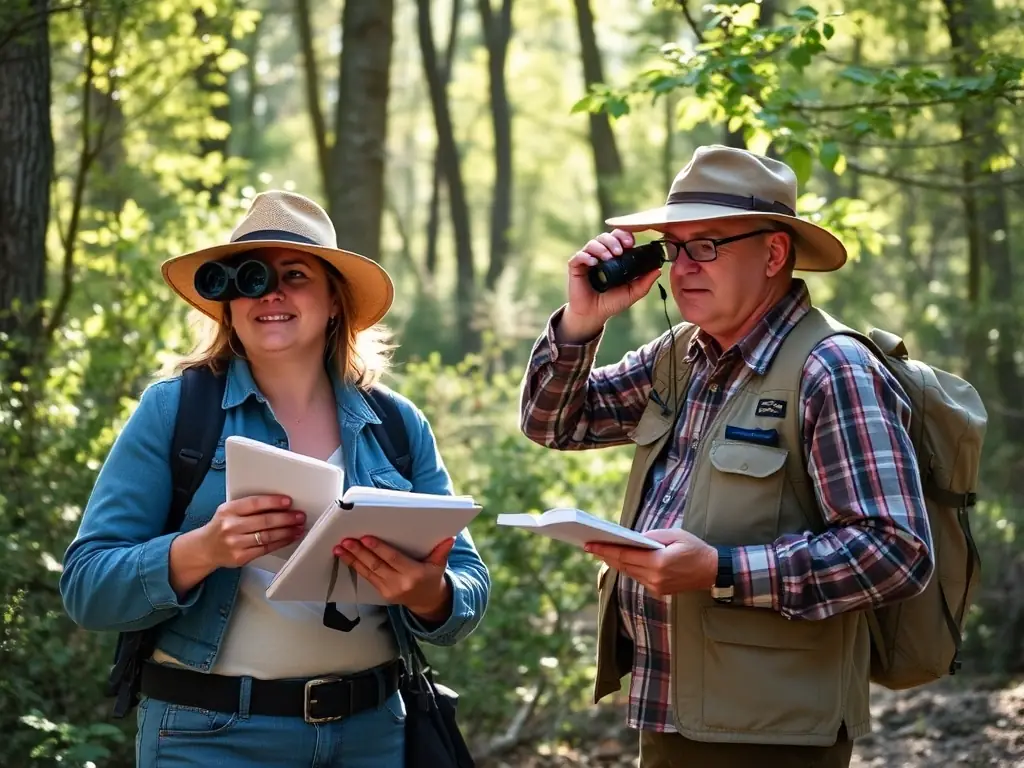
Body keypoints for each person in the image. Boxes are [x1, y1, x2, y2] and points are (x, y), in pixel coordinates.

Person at [518, 145, 933, 768]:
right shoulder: (681, 355)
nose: (683, 267)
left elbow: (895, 552)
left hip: (774, 732)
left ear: (773, 253)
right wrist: (582, 321)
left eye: (707, 244)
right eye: (672, 247)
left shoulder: (833, 368)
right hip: (671, 710)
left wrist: (722, 570)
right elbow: (555, 423)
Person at [60, 190, 489, 767]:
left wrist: (428, 593)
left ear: (336, 302)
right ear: (226, 305)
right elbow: (87, 589)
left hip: (372, 735)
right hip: (210, 739)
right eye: (246, 279)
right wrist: (202, 550)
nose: (267, 293)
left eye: (294, 275)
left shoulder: (395, 422)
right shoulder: (175, 411)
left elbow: (466, 582)